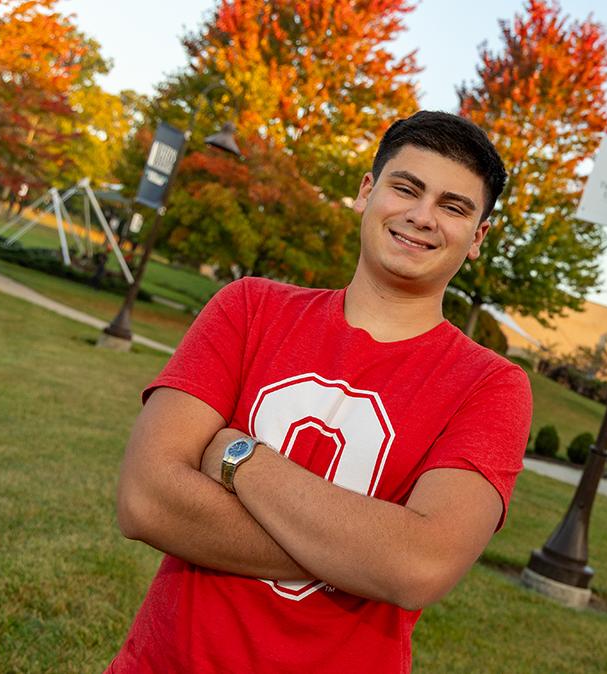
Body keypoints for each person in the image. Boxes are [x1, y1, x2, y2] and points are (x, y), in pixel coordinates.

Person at [107, 111, 532, 673]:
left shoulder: (492, 386)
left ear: (477, 237)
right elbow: (146, 501)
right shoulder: (249, 308)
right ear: (366, 191)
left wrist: (239, 457)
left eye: (453, 207)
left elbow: (420, 567)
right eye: (406, 188)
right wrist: (363, 556)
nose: (422, 217)